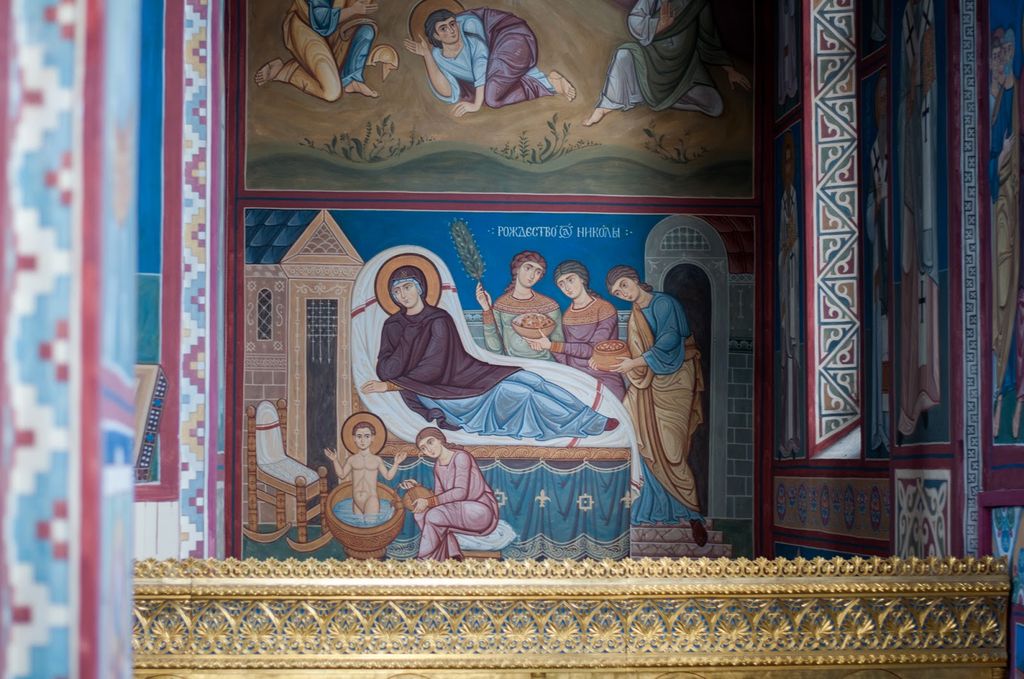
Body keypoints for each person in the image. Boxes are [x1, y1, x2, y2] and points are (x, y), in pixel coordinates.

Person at [360, 264, 618, 439]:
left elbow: (435, 365)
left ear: (419, 288)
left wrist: (394, 378)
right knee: (520, 394)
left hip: (460, 376)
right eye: (396, 291)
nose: (402, 295)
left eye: (407, 287)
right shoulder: (393, 325)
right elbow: (385, 369)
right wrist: (403, 348)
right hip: (439, 392)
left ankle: (590, 415)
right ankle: (586, 425)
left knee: (531, 379)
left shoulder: (438, 319)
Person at [605, 265, 707, 546]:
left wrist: (633, 364)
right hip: (647, 382)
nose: (623, 293)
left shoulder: (664, 303)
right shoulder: (635, 314)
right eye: (617, 293)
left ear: (635, 280)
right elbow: (636, 350)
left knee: (672, 450)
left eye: (624, 285)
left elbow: (669, 342)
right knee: (635, 428)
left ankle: (692, 514)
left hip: (675, 379)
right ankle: (649, 505)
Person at [583, 0, 750, 127]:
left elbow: (709, 39)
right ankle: (604, 107)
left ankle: (660, 99)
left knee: (715, 106)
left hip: (685, 69)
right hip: (652, 57)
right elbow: (635, 20)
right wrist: (659, 25)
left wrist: (730, 70)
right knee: (623, 55)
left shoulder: (698, 3)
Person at [897, 0, 941, 436]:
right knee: (915, 301)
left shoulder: (933, 100)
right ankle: (915, 391)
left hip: (930, 225)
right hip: (915, 218)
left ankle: (930, 385)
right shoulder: (909, 110)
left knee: (930, 294)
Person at [403, 7, 576, 117]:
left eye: (452, 24)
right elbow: (449, 91)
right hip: (498, 60)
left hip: (513, 38)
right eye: (443, 28)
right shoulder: (438, 55)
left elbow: (481, 64)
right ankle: (547, 80)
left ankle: (550, 84)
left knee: (491, 97)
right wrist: (427, 56)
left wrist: (476, 105)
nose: (452, 30)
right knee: (488, 92)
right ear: (435, 36)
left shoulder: (469, 26)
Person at [525, 259, 626, 400]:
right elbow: (567, 358)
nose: (567, 287)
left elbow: (592, 349)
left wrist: (551, 345)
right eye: (561, 284)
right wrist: (544, 344)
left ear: (582, 278)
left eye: (570, 280)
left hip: (603, 377)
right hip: (575, 378)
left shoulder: (604, 309)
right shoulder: (568, 315)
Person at [399, 427, 499, 560]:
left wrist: (428, 501)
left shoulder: (461, 457)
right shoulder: (438, 466)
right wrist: (417, 487)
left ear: (440, 439)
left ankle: (424, 560)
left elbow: (460, 493)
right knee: (420, 514)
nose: (429, 449)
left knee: (434, 515)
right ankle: (452, 555)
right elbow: (440, 497)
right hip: (458, 509)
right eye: (423, 448)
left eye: (430, 442)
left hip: (479, 510)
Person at [253, 0, 382, 102]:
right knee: (331, 92)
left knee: (366, 30)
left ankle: (352, 79)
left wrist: (356, 9)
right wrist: (352, 10)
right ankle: (283, 71)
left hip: (334, 31)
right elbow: (321, 21)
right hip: (307, 28)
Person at [990, 26, 1022, 437]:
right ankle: (996, 399)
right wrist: (998, 162)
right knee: (997, 306)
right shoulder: (994, 101)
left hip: (1009, 222)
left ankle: (1002, 400)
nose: (1000, 59)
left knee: (1008, 305)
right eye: (997, 52)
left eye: (1006, 52)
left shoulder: (1011, 99)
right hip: (997, 220)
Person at [476, 251, 564, 361]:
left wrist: (547, 345)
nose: (532, 276)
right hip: (513, 365)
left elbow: (559, 348)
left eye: (537, 272)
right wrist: (487, 310)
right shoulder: (501, 305)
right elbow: (495, 349)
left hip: (546, 364)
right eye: (528, 268)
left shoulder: (550, 306)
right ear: (517, 269)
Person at [866, 77, 891, 452]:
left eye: (887, 96)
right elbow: (872, 208)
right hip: (879, 267)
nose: (882, 104)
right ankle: (881, 425)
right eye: (878, 100)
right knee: (882, 346)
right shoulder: (874, 152)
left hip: (900, 265)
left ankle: (889, 421)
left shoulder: (896, 144)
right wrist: (879, 203)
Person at [324, 418, 407, 516]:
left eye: (367, 436)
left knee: (370, 523)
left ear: (372, 438)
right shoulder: (351, 459)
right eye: (359, 436)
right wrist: (334, 460)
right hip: (356, 501)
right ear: (354, 438)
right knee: (357, 524)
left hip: (371, 499)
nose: (363, 440)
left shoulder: (376, 460)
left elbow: (388, 476)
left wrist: (396, 463)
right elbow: (341, 475)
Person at [777, 132, 801, 456]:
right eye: (783, 162)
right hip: (787, 291)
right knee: (787, 365)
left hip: (798, 297)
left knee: (796, 359)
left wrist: (793, 247)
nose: (786, 168)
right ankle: (790, 435)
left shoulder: (796, 200)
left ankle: (796, 434)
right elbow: (784, 248)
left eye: (789, 161)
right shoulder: (784, 202)